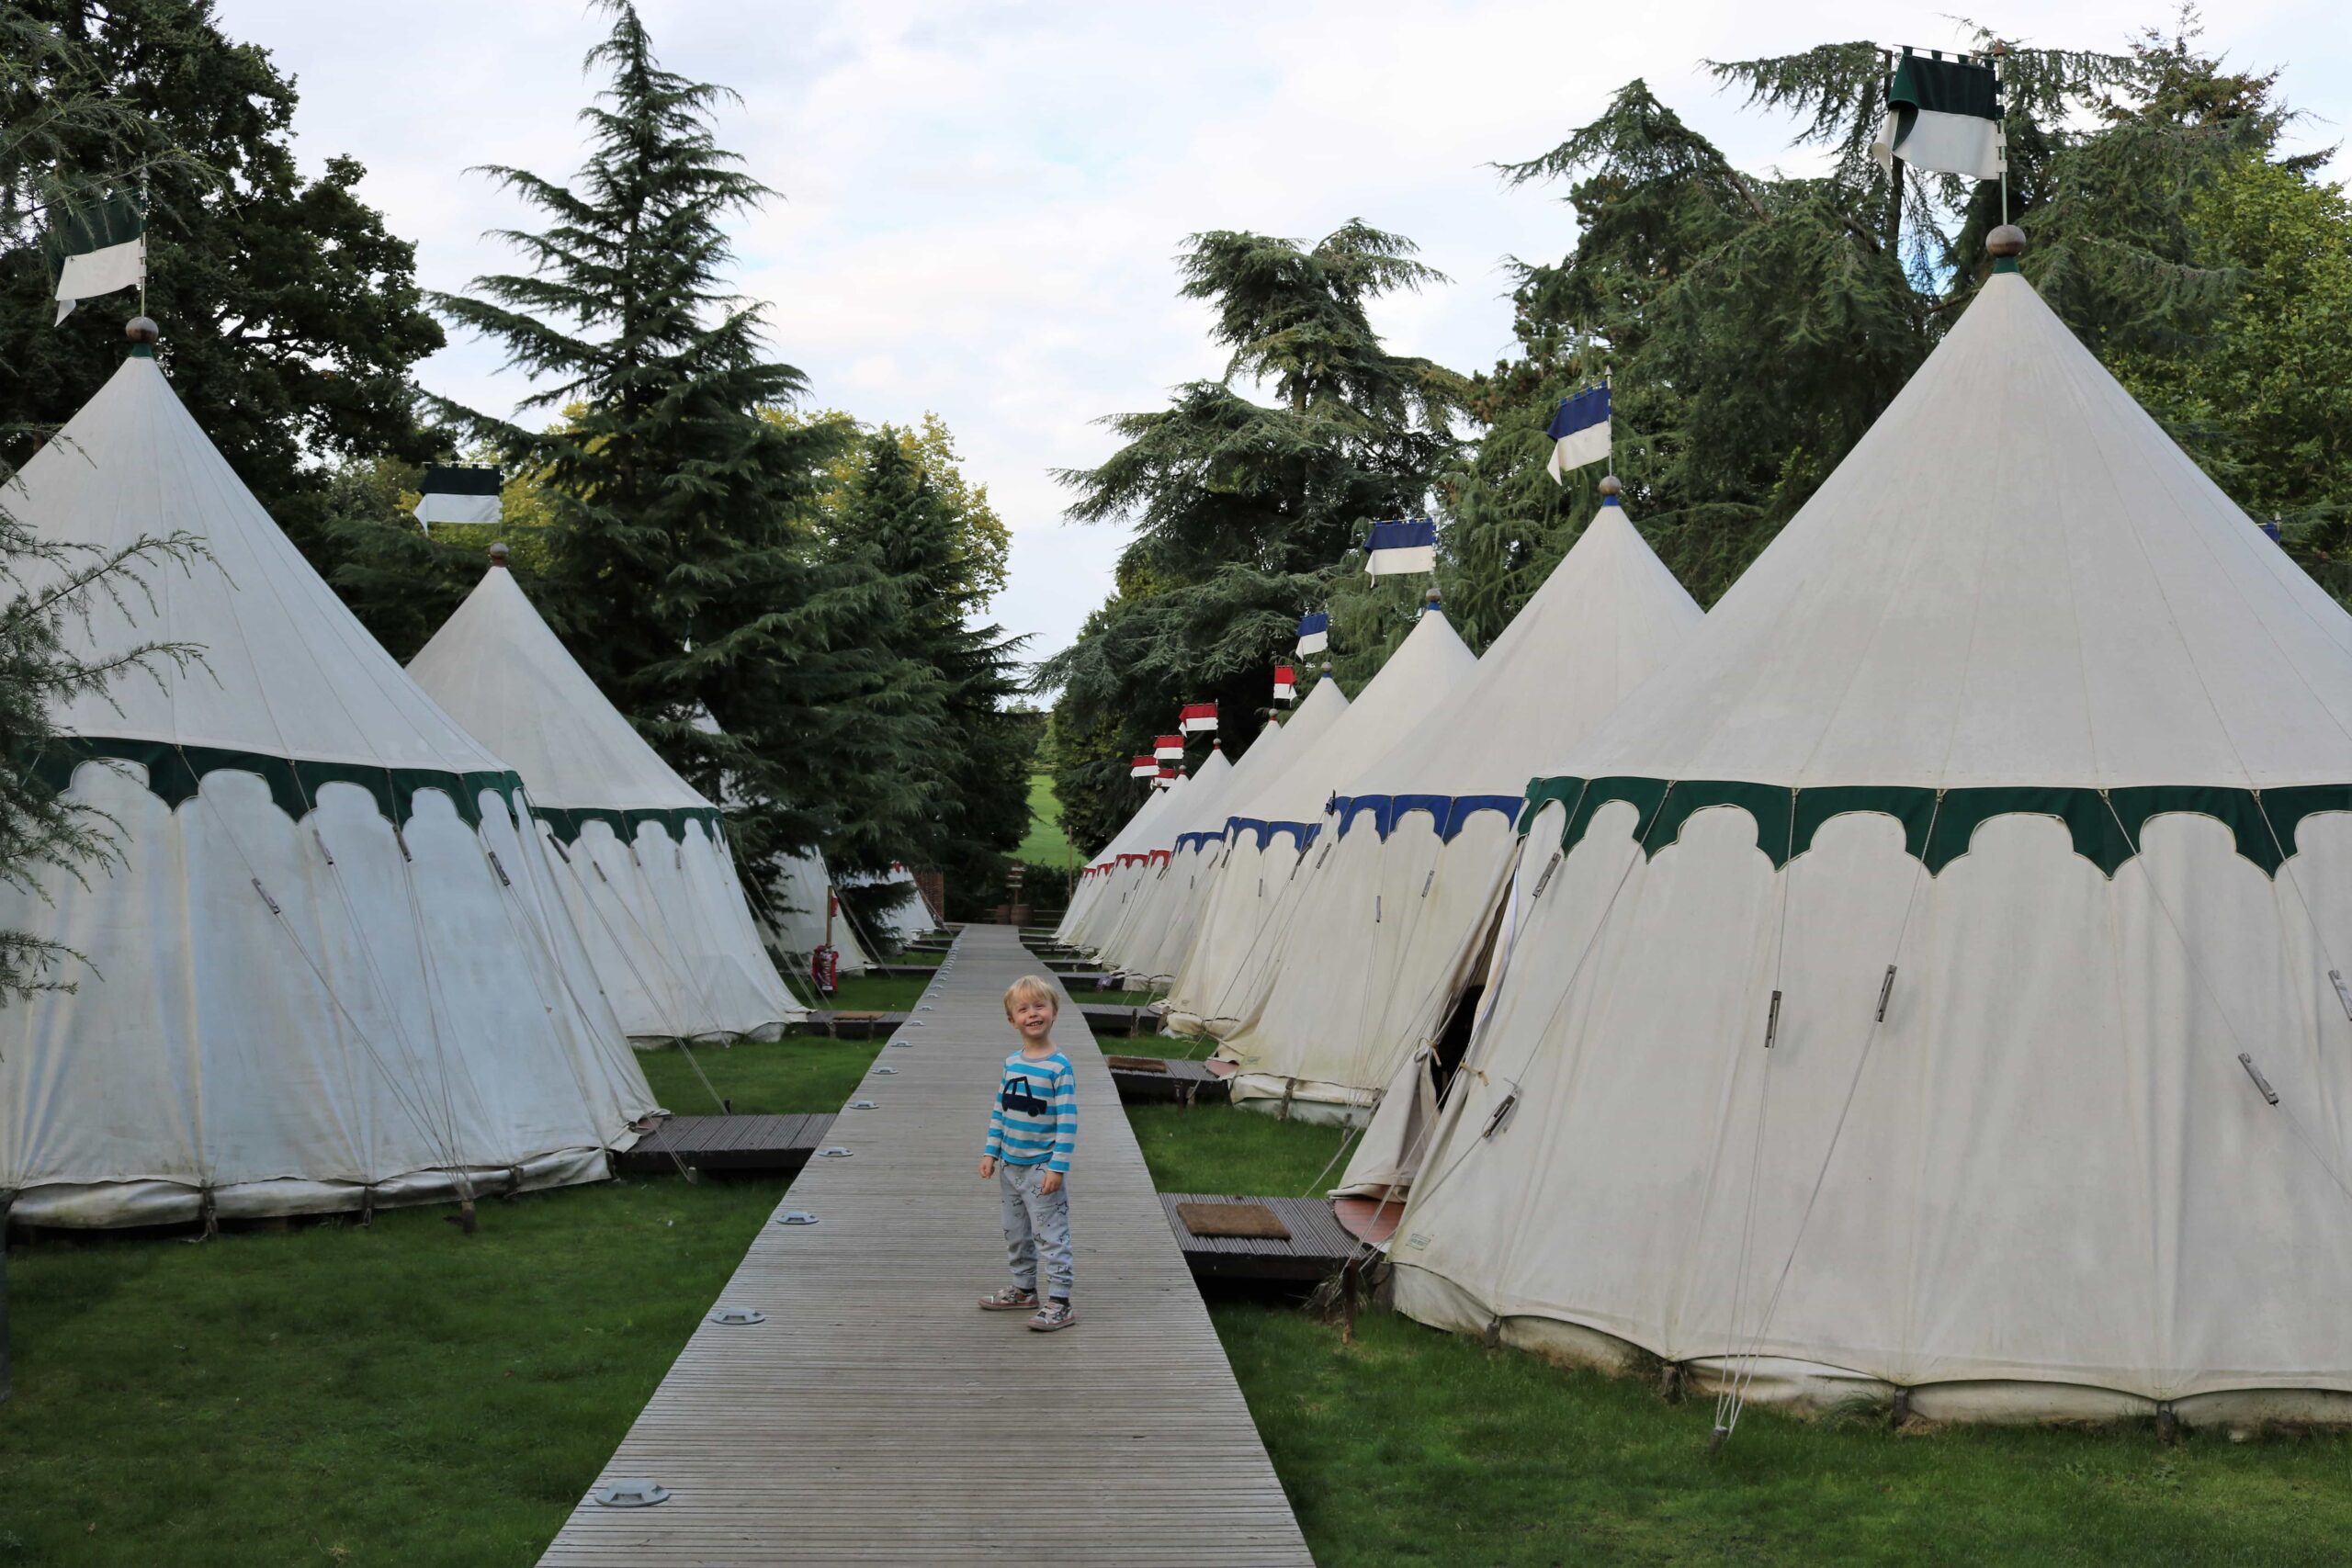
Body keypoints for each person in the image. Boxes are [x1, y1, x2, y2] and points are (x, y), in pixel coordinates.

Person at [978, 975, 1078, 1330]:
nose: (1033, 1014)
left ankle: (1061, 1301)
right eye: (1023, 1009)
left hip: (1041, 1169)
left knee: (1051, 1234)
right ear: (1012, 1020)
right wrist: (991, 1152)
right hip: (1010, 1167)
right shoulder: (1012, 1064)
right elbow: (999, 1111)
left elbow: (1067, 1122)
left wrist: (1057, 1166)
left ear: (1054, 1012)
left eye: (1040, 1006)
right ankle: (1024, 1290)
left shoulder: (1059, 1068)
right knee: (1016, 1232)